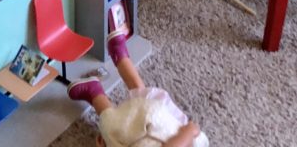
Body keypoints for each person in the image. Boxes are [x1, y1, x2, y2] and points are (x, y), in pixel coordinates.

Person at [67, 27, 208, 147]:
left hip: (134, 141)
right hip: (162, 128)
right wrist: (187, 133)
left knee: (111, 126)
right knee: (145, 100)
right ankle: (121, 57)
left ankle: (94, 92)